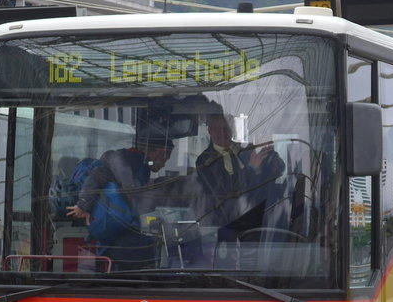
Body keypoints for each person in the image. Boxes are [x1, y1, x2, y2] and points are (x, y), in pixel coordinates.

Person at [64, 132, 175, 271]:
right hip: (119, 234)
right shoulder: (129, 161)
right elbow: (99, 174)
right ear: (161, 152)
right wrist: (83, 205)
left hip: (118, 233)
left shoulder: (139, 165)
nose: (164, 164)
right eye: (166, 158)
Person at [192, 111, 286, 245]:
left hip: (259, 219)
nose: (223, 133)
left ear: (232, 130)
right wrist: (252, 169)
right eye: (218, 129)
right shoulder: (204, 160)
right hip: (227, 225)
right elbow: (227, 192)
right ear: (210, 131)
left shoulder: (246, 149)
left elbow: (279, 169)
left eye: (226, 129)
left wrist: (270, 152)